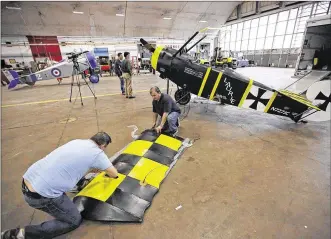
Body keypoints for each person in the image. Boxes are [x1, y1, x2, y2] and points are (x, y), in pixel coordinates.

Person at [1, 132, 118, 239]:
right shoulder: (97, 153)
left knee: (73, 166)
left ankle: (78, 184)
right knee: (73, 220)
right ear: (103, 146)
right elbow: (114, 174)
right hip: (41, 195)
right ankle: (20, 234)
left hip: (28, 180)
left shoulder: (76, 141)